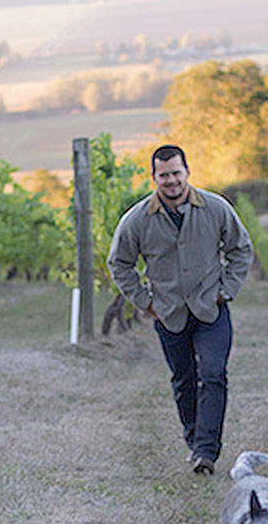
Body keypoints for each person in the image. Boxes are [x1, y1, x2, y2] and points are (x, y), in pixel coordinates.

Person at [107, 144, 254, 475]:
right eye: (164, 175)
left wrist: (226, 290)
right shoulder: (137, 219)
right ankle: (193, 439)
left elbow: (241, 249)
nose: (171, 181)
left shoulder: (216, 208)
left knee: (214, 373)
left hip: (210, 310)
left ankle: (206, 451)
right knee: (183, 379)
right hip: (168, 313)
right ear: (154, 177)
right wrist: (145, 302)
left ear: (187, 172)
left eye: (176, 173)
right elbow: (119, 263)